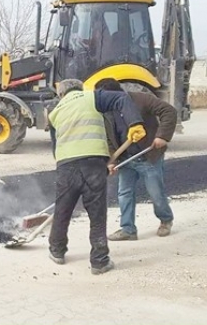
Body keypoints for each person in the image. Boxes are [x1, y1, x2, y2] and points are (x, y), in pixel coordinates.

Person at [47, 78, 145, 275]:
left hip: (65, 165)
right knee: (96, 213)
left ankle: (57, 251)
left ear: (61, 95)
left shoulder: (55, 112)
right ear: (81, 88)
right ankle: (99, 261)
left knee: (63, 209)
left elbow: (55, 146)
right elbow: (121, 98)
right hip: (93, 163)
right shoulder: (92, 97)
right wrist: (134, 122)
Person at [95, 78, 177, 241]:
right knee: (124, 194)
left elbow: (169, 111)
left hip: (148, 155)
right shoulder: (105, 111)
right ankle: (128, 229)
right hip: (127, 159)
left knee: (156, 193)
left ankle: (165, 220)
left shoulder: (140, 99)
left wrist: (162, 136)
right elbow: (109, 138)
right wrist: (112, 160)